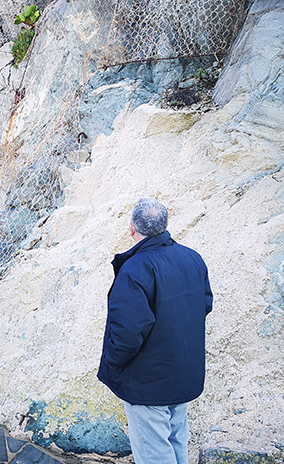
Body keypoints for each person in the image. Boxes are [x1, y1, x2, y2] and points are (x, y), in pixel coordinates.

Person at [97, 197, 213, 464]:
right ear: (165, 225)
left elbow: (127, 332)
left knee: (154, 455)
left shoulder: (135, 269)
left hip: (148, 380)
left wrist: (113, 366)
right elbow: (204, 305)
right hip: (183, 371)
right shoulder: (193, 258)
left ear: (131, 229)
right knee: (176, 444)